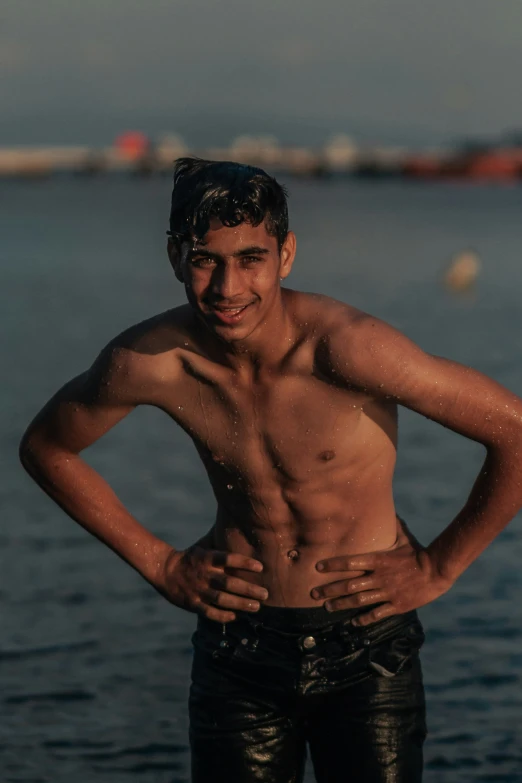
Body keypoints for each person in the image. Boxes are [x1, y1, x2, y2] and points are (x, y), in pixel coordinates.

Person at [19, 158, 522, 783]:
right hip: (238, 648)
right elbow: (46, 448)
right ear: (175, 256)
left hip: (367, 649)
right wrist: (160, 563)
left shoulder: (347, 349)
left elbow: (515, 432)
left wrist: (439, 565)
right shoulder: (151, 363)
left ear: (286, 255)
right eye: (206, 259)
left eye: (251, 258)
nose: (229, 288)